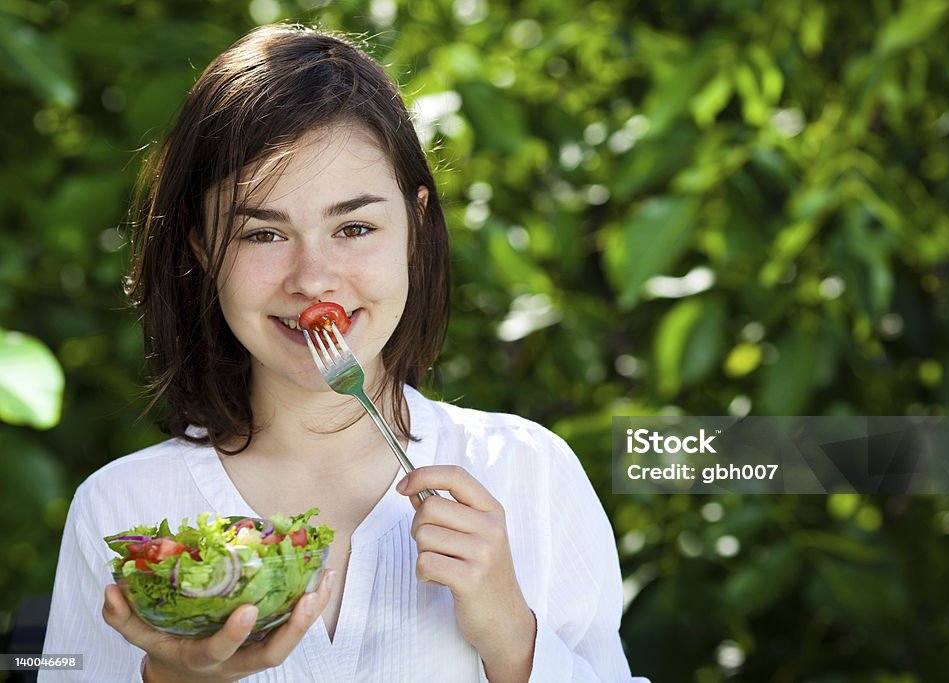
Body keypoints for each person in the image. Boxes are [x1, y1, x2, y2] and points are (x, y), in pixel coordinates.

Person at [41, 24, 646, 682]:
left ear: (414, 225)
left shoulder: (528, 475)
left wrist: (512, 637)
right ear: (199, 247)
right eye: (263, 233)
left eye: (354, 226)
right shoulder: (121, 510)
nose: (313, 277)